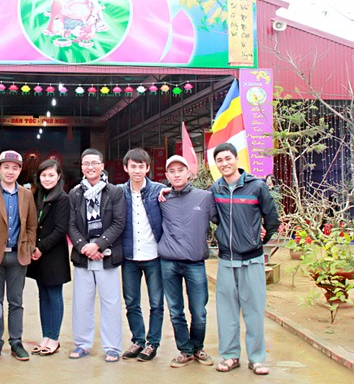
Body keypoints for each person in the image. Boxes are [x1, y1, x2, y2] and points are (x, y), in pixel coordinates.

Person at [211, 143, 279, 375]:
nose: (224, 164)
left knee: (254, 311)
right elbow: (212, 216)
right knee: (226, 312)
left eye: (228, 158)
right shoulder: (216, 189)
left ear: (236, 159)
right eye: (220, 160)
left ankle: (257, 358)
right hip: (226, 260)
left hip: (252, 260)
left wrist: (261, 237)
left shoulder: (256, 186)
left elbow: (272, 218)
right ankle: (230, 356)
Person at [0, 150, 38, 361]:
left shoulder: (26, 195)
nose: (10, 172)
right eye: (6, 167)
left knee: (16, 301)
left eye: (14, 168)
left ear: (20, 171)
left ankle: (16, 342)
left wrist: (29, 246)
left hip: (17, 257)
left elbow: (31, 225)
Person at [67, 148, 125, 363]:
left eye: (94, 163)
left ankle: (112, 347)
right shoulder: (75, 193)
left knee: (111, 303)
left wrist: (99, 245)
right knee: (81, 303)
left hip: (107, 255)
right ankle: (82, 344)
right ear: (81, 167)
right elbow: (71, 224)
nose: (90, 167)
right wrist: (84, 247)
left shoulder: (114, 192)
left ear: (102, 166)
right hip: (84, 256)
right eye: (86, 164)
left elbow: (119, 222)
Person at [158, 155, 216, 368]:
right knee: (175, 310)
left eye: (180, 170)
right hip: (169, 262)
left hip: (195, 262)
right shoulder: (162, 199)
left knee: (199, 311)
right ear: (167, 176)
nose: (176, 175)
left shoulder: (205, 198)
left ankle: (198, 347)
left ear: (188, 173)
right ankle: (185, 350)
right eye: (172, 171)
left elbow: (224, 219)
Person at [117, 148, 166, 362]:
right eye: (133, 166)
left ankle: (152, 343)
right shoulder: (119, 192)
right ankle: (138, 340)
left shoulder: (159, 190)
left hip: (154, 256)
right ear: (126, 168)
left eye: (141, 166)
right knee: (131, 302)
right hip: (129, 257)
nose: (137, 171)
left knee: (156, 303)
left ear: (148, 168)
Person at [26, 159, 71, 356]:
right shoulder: (36, 195)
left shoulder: (62, 198)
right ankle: (45, 336)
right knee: (42, 296)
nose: (47, 179)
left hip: (53, 255)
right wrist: (32, 247)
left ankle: (54, 339)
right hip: (38, 255)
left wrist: (40, 248)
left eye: (51, 175)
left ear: (58, 176)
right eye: (43, 175)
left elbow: (60, 230)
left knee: (54, 296)